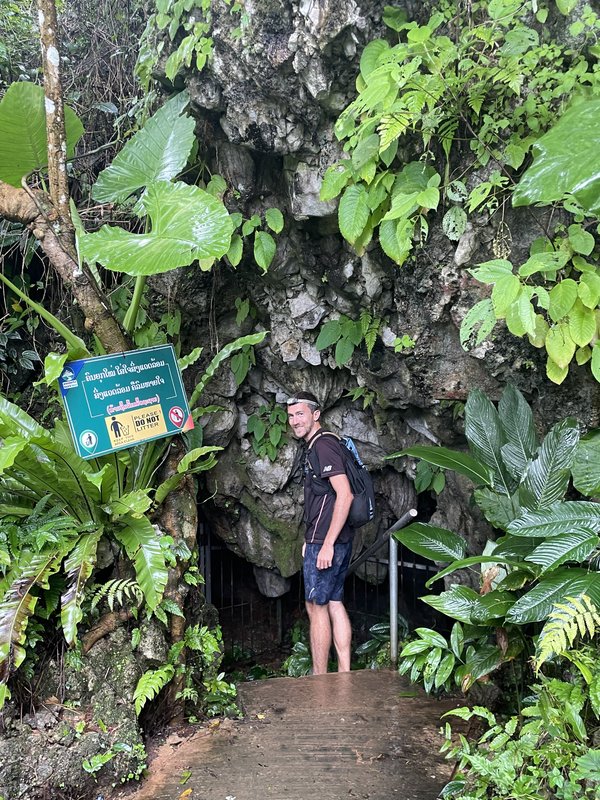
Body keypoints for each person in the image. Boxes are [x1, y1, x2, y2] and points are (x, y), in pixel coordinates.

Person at [286, 392, 354, 674]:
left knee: (316, 606)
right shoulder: (326, 444)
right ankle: (344, 674)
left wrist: (325, 544)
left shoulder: (323, 447)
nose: (294, 421)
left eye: (300, 414)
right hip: (334, 538)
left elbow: (345, 495)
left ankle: (320, 679)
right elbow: (323, 498)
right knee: (334, 602)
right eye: (290, 416)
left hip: (328, 542)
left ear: (316, 414)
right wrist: (309, 539)